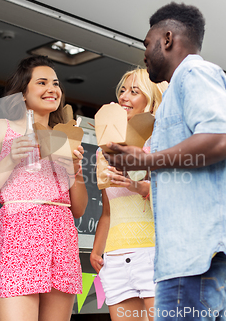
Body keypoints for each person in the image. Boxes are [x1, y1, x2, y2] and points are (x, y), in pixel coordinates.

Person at [104, 2, 226, 320]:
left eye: (147, 44)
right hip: (194, 255)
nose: (144, 53)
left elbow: (221, 139)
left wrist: (148, 159)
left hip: (196, 255)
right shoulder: (180, 88)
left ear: (168, 39)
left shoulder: (195, 72)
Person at [0, 55, 88, 321]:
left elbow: (80, 208)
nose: (52, 89)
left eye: (56, 83)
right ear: (23, 94)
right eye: (42, 82)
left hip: (61, 238)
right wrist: (12, 157)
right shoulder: (1, 128)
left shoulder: (64, 137)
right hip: (18, 237)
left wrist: (75, 169)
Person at [90, 68, 166, 321]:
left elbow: (173, 200)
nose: (124, 97)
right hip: (115, 257)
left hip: (154, 253)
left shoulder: (161, 144)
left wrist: (139, 186)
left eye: (134, 91)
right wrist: (96, 250)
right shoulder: (103, 152)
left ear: (151, 99)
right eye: (122, 90)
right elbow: (108, 211)